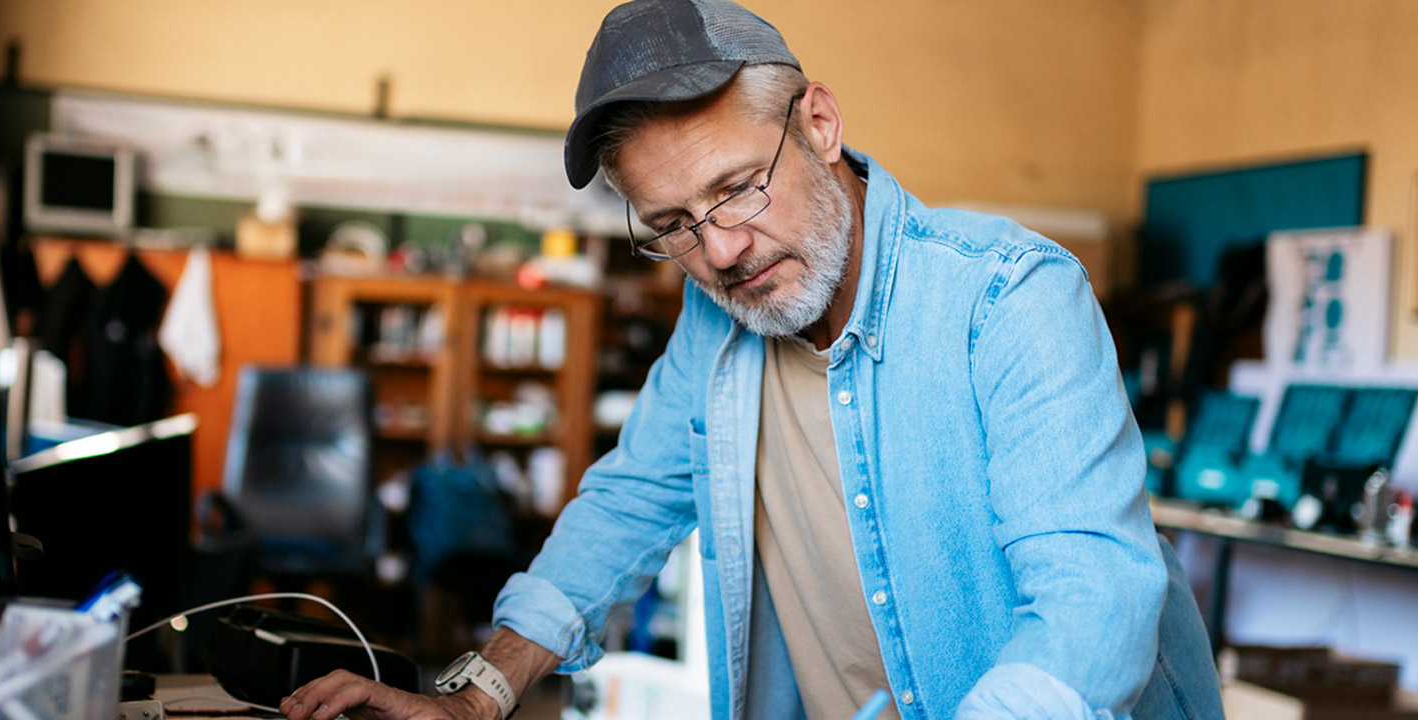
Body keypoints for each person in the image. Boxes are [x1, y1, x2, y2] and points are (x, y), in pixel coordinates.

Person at [282, 1, 1224, 718]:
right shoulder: (718, 316)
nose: (721, 250)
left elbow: (1094, 595)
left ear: (820, 124)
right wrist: (479, 692)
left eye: (737, 188)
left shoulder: (1008, 298)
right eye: (674, 225)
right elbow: (629, 502)